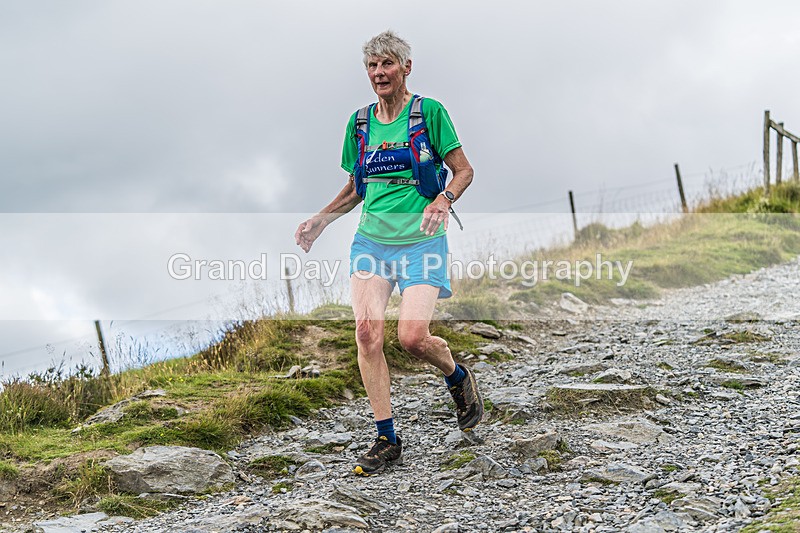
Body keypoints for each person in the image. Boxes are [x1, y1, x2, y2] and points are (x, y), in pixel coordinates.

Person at [295, 30, 482, 476]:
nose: (379, 73)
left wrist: (444, 200)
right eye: (372, 66)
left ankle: (457, 376)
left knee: (413, 338)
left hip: (421, 241)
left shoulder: (428, 112)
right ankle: (386, 438)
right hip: (371, 243)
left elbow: (463, 170)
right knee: (366, 333)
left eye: (388, 64)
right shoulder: (360, 123)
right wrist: (322, 218)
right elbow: (356, 187)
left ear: (406, 68)